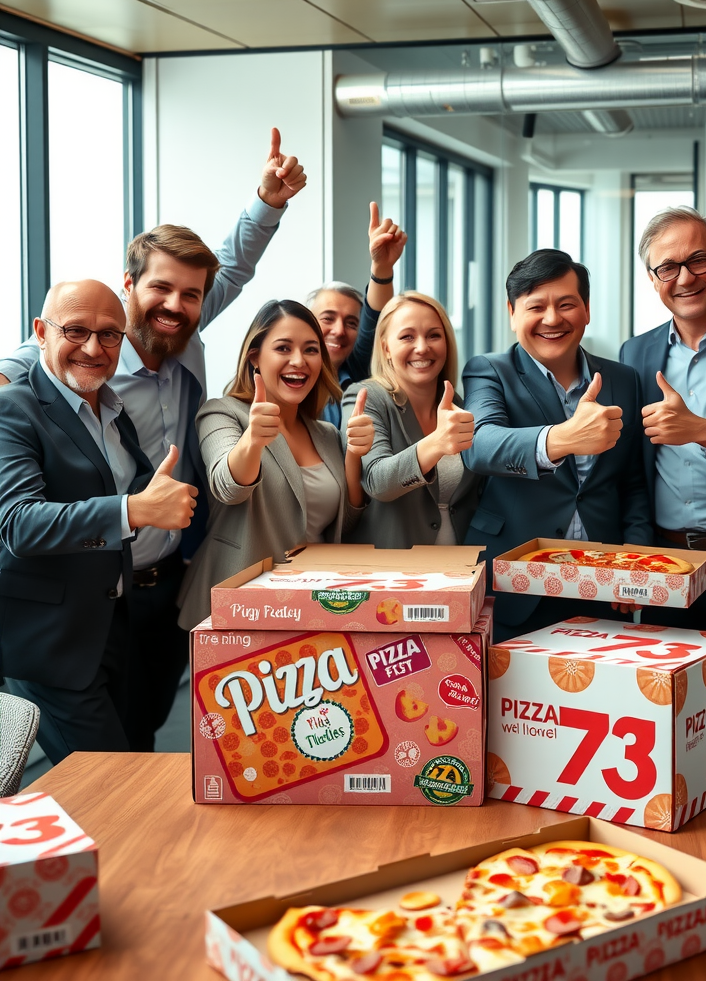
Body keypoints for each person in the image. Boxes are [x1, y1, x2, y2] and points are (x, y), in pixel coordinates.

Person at [0, 127, 306, 752]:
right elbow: (43, 356)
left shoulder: (181, 334)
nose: (174, 303)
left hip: (160, 584)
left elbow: (234, 264)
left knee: (141, 742)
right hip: (78, 594)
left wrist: (268, 203)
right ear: (129, 286)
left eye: (189, 295)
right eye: (159, 288)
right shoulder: (74, 362)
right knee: (101, 763)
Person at [0, 281, 197, 763]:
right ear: (40, 333)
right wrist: (135, 510)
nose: (93, 347)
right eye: (76, 331)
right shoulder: (12, 409)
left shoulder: (111, 408)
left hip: (112, 626)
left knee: (129, 764)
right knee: (114, 783)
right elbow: (20, 525)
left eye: (109, 335)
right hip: (53, 643)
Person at [463, 249, 651, 641]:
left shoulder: (623, 379)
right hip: (514, 576)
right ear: (512, 312)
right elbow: (480, 444)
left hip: (602, 581)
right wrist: (562, 438)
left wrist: (636, 558)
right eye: (536, 306)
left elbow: (631, 481)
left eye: (566, 304)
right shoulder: (490, 370)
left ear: (585, 310)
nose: (552, 319)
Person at [177, 301, 372, 630]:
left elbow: (345, 524)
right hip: (237, 607)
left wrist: (353, 454)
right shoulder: (222, 413)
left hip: (312, 605)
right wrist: (252, 440)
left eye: (311, 349)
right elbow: (227, 486)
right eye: (283, 347)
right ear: (255, 356)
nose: (299, 361)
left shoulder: (325, 433)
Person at [620, 207, 706, 635]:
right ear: (652, 278)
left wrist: (704, 431)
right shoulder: (635, 353)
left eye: (698, 260)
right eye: (667, 267)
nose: (685, 278)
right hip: (663, 559)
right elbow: (634, 468)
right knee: (665, 693)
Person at [339, 292, 480, 548]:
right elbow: (377, 482)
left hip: (460, 569)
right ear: (386, 348)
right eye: (407, 336)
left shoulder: (460, 405)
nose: (423, 347)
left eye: (434, 335)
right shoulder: (366, 398)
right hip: (393, 571)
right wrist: (435, 444)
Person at [311, 202, 408, 425]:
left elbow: (375, 318)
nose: (338, 331)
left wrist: (381, 268)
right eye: (327, 318)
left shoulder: (357, 373)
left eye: (352, 323)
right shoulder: (285, 378)